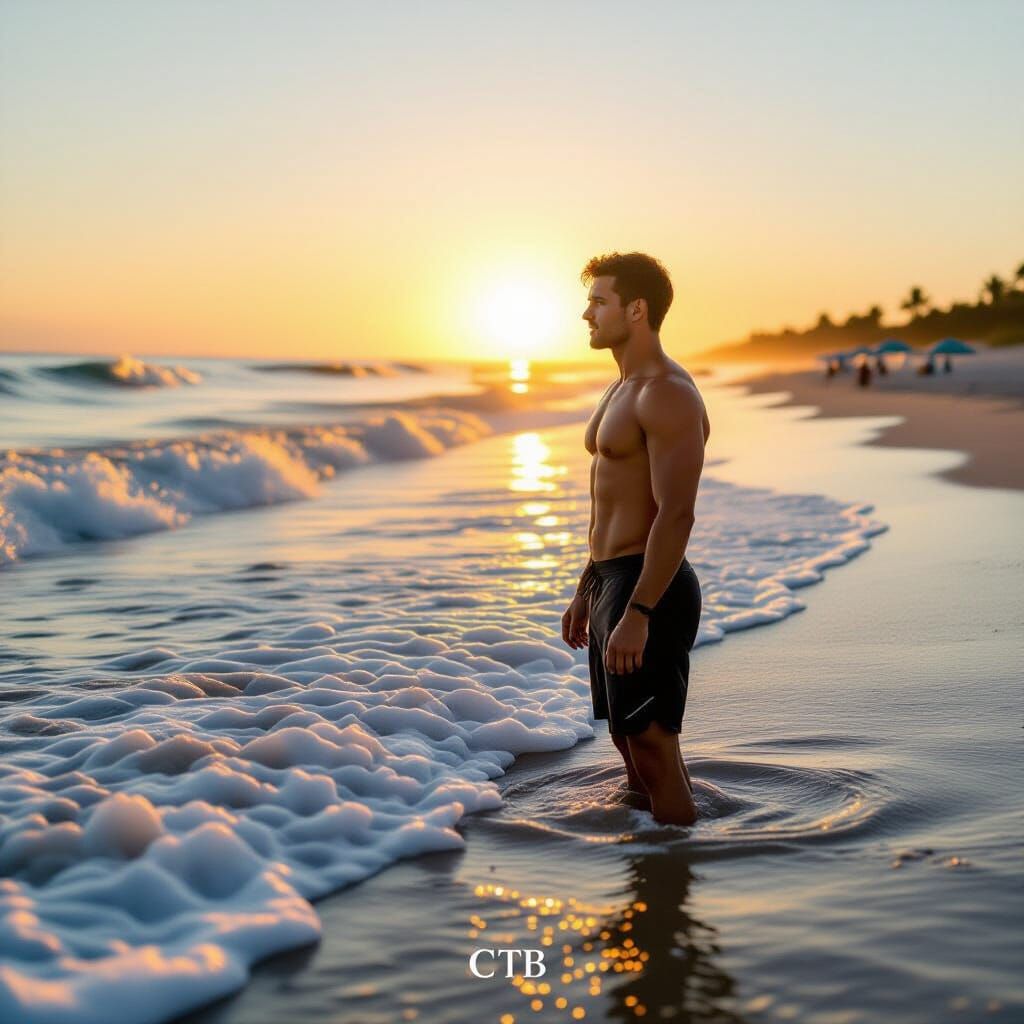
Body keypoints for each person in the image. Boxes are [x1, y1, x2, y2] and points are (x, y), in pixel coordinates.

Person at [561, 252, 708, 827]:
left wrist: (640, 611)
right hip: (612, 582)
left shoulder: (668, 393)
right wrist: (587, 589)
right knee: (628, 742)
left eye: (600, 301)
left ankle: (675, 882)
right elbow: (610, 505)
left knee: (652, 744)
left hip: (652, 585)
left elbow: (676, 515)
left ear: (637, 310)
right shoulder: (619, 389)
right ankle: (651, 860)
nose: (586, 314)